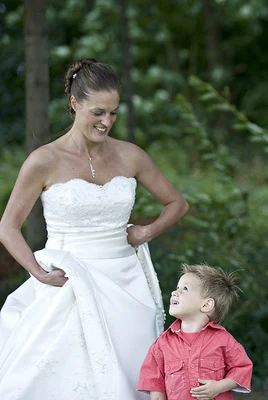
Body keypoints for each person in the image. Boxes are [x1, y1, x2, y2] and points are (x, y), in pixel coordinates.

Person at [0, 58, 189, 399]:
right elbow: (8, 227)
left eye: (114, 113)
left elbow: (177, 203)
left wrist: (146, 232)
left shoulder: (130, 155)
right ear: (75, 104)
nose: (107, 122)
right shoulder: (44, 160)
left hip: (125, 281)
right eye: (98, 112)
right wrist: (38, 273)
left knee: (131, 372)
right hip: (67, 280)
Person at [137, 263, 252, 400]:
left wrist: (219, 387)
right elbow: (154, 382)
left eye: (185, 289)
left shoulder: (223, 340)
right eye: (177, 288)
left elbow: (243, 368)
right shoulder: (162, 344)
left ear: (206, 305)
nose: (175, 292)